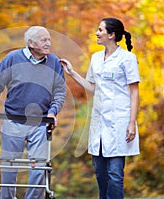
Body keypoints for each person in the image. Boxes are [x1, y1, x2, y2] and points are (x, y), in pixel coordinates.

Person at [61, 18, 140, 199]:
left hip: (119, 122)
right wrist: (72, 73)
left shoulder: (127, 59)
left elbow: (134, 92)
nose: (96, 33)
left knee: (115, 175)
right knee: (100, 173)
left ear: (111, 35)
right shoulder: (96, 59)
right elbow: (92, 88)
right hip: (99, 123)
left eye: (100, 30)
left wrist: (131, 123)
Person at [0, 26, 66, 199]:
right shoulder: (12, 58)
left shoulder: (54, 62)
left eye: (49, 39)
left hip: (41, 122)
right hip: (12, 120)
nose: (48, 43)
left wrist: (53, 112)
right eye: (44, 40)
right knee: (9, 167)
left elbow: (59, 92)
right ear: (30, 42)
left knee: (39, 167)